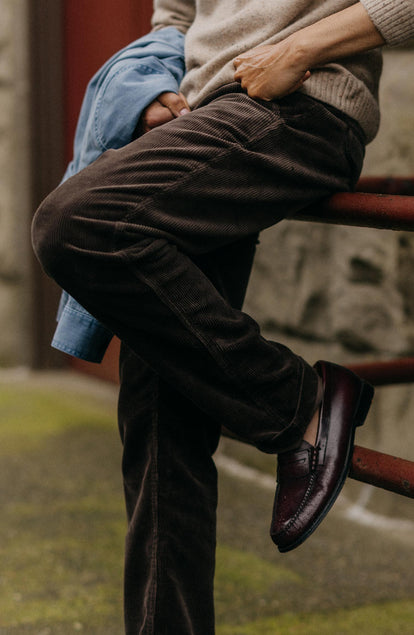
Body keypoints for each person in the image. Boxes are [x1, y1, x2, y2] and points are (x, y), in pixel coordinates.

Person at [32, 0, 414, 633]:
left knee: (78, 223)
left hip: (303, 108)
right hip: (205, 117)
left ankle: (301, 405)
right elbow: (175, 17)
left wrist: (300, 51)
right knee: (159, 413)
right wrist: (152, 90)